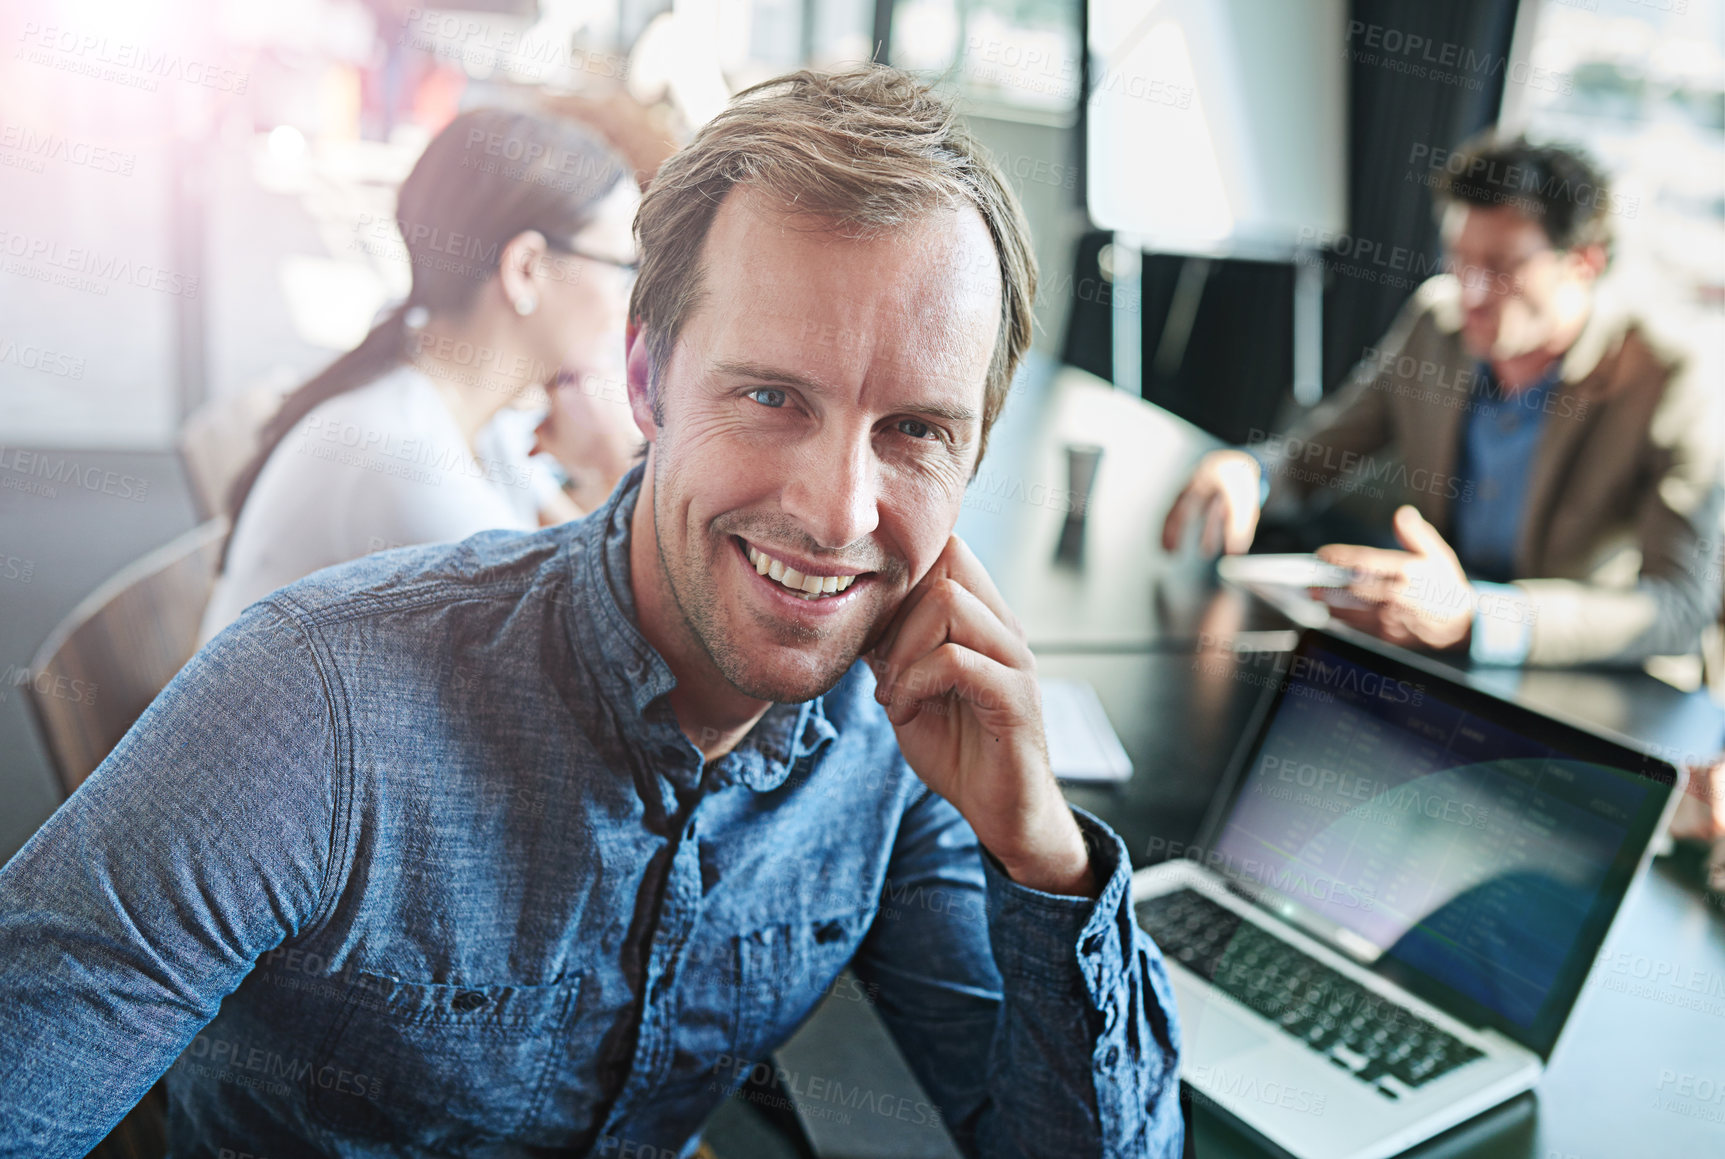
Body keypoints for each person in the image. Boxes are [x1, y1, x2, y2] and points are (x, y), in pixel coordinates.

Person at [0, 67, 1183, 1157]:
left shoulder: (895, 739)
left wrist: (1048, 863)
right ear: (644, 378)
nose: (838, 511)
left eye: (916, 429)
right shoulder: (321, 701)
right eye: (771, 396)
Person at [1162, 133, 1723, 667]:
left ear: (1584, 264)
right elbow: (1315, 455)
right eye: (1460, 257)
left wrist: (1479, 618)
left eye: (1502, 268)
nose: (1471, 291)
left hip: (1575, 689)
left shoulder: (1671, 376)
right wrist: (1251, 473)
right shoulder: (1437, 321)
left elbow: (1677, 608)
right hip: (1425, 657)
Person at [198, 107, 643, 643]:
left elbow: (580, 569)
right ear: (526, 268)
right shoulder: (407, 460)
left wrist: (602, 464)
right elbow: (604, 655)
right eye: (624, 267)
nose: (631, 299)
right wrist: (617, 461)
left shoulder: (475, 419)